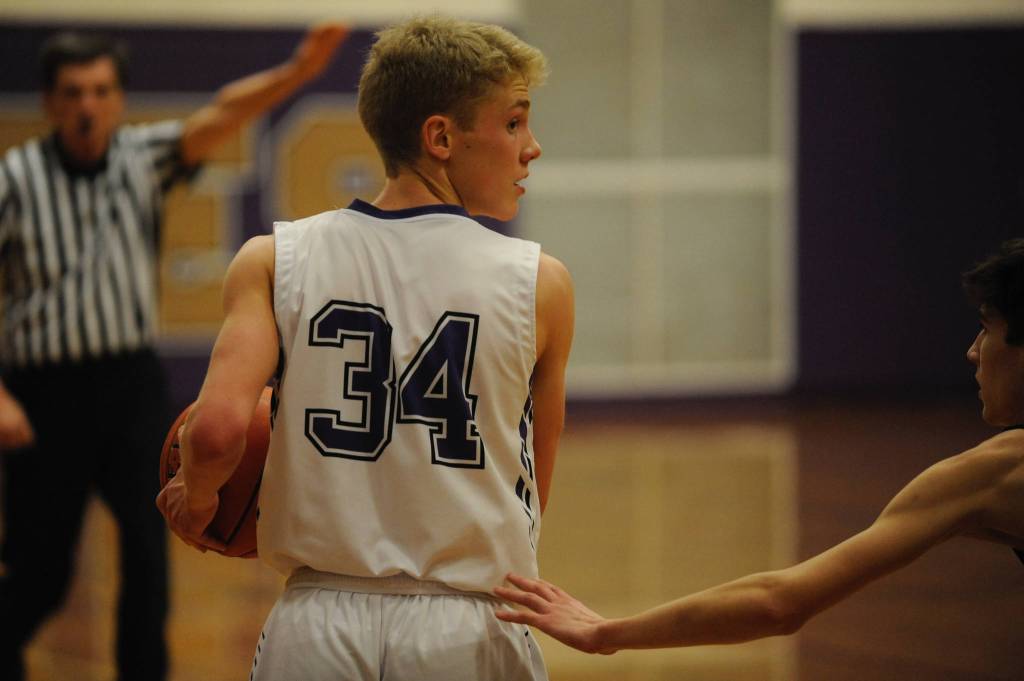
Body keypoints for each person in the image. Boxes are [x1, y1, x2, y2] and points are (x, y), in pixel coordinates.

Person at [157, 15, 574, 681]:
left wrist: (200, 496)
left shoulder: (274, 259)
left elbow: (214, 435)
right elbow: (533, 492)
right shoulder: (540, 284)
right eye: (514, 122)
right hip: (470, 624)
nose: (532, 148)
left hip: (316, 623)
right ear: (440, 137)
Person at [0, 24, 349, 681]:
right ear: (49, 102)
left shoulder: (142, 157)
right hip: (43, 393)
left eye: (101, 91)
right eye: (73, 92)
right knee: (40, 571)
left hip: (129, 385)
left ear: (118, 99)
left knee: (148, 559)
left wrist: (297, 72)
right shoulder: (14, 181)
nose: (87, 106)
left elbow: (223, 113)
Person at [494, 239, 1024, 655]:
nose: (973, 351)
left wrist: (607, 633)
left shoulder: (991, 474)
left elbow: (778, 603)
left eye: (987, 329)